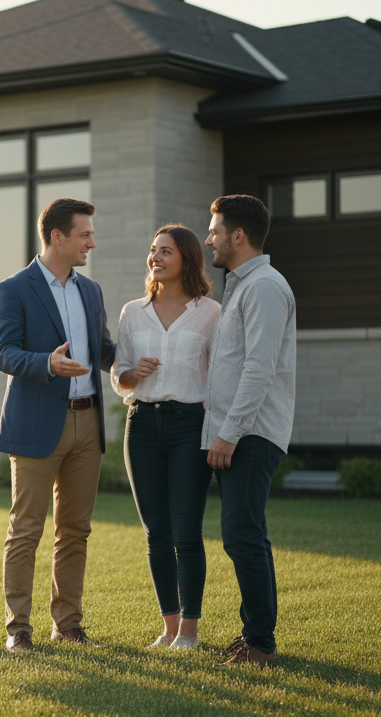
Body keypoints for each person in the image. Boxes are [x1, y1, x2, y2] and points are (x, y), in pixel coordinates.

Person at [0, 197, 116, 653]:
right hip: (37, 425)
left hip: (88, 425)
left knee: (75, 531)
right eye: (84, 234)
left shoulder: (91, 291)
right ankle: (17, 630)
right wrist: (47, 363)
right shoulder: (14, 288)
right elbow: (3, 353)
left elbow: (101, 350)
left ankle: (68, 625)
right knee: (26, 529)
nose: (91, 243)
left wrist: (130, 362)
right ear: (57, 237)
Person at [111, 224, 219, 651]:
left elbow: (220, 376)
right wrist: (130, 373)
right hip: (141, 424)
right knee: (156, 532)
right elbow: (118, 373)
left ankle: (190, 632)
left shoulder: (211, 313)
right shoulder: (132, 312)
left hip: (190, 424)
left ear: (187, 259)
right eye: (152, 251)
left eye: (165, 251)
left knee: (187, 531)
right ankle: (170, 628)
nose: (155, 257)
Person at [202, 195, 296, 666]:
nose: (209, 238)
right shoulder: (241, 286)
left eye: (215, 230)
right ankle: (255, 635)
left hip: (252, 433)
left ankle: (261, 642)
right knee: (244, 534)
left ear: (238, 236)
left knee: (243, 533)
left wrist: (229, 432)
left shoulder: (262, 287)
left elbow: (259, 369)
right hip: (242, 431)